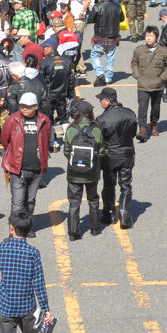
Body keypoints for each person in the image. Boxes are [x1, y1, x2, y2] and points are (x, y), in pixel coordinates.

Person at [0, 92, 51, 222]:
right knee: (17, 203)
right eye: (22, 106)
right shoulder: (12, 120)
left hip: (37, 169)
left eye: (27, 106)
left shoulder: (45, 120)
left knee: (30, 201)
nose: (24, 109)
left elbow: (46, 140)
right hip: (17, 169)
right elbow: (5, 140)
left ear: (36, 106)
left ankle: (27, 227)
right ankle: (14, 233)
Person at [96, 85, 138, 229]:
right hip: (127, 153)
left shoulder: (102, 119)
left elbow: (100, 140)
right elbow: (133, 133)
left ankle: (109, 213)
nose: (100, 102)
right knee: (126, 185)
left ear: (107, 101)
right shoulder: (130, 113)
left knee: (109, 185)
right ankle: (125, 214)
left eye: (101, 99)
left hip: (110, 156)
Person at [62, 99, 104, 239]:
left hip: (74, 173)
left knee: (74, 202)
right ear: (91, 113)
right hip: (92, 172)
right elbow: (102, 151)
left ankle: (73, 233)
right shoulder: (97, 129)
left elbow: (66, 151)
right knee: (93, 199)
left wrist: (74, 161)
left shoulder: (71, 129)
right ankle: (95, 228)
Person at [130, 26, 167, 142]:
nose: (148, 38)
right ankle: (142, 128)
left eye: (151, 36)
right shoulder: (139, 50)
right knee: (142, 107)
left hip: (158, 85)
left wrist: (162, 78)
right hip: (143, 84)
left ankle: (154, 124)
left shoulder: (164, 51)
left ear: (156, 37)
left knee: (155, 107)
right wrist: (137, 76)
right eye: (146, 36)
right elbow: (134, 63)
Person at [87, 0, 123, 86]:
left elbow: (90, 19)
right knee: (110, 58)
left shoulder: (97, 6)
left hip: (100, 37)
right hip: (114, 37)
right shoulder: (117, 6)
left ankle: (100, 73)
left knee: (95, 55)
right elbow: (122, 19)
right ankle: (108, 79)